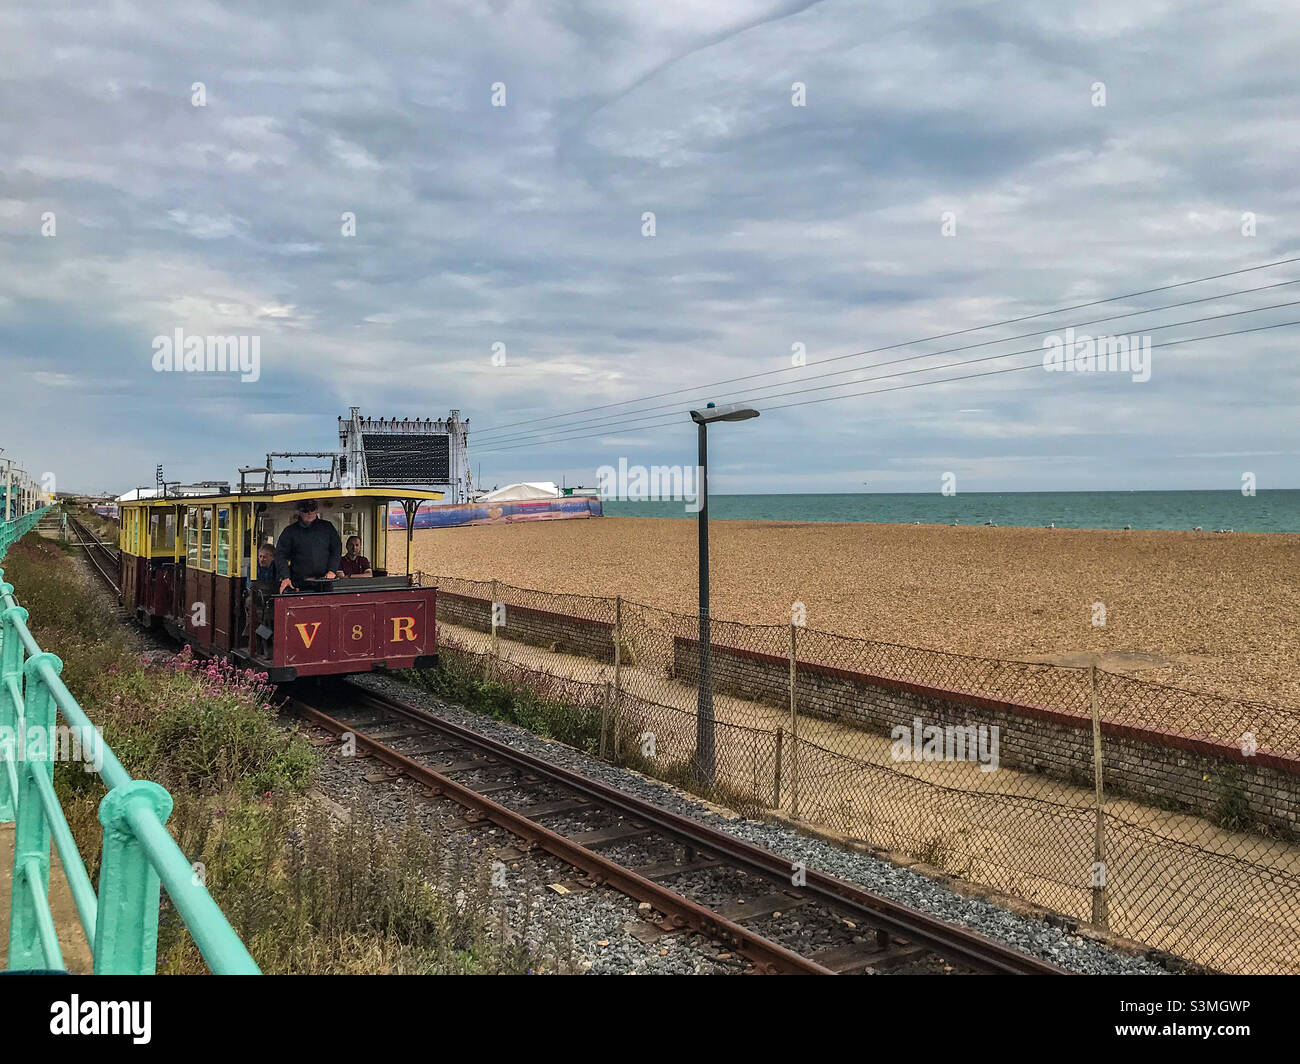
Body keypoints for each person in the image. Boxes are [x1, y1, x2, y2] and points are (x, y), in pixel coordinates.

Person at [274, 499, 341, 592]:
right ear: (300, 512)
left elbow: (336, 549)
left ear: (316, 510)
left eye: (312, 509)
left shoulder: (327, 527)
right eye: (305, 510)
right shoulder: (290, 531)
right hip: (298, 584)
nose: (309, 512)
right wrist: (286, 577)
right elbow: (280, 555)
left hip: (324, 582)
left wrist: (332, 570)